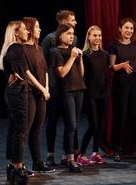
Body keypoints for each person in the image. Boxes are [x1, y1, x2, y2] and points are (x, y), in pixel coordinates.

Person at [108, 18, 136, 162]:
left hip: (135, 84)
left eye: (131, 28)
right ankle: (117, 149)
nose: (129, 31)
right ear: (120, 29)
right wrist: (121, 65)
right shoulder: (114, 45)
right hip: (120, 85)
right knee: (121, 116)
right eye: (126, 28)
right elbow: (111, 67)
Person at [41, 10, 79, 166]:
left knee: (71, 121)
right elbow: (43, 64)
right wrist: (45, 87)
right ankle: (50, 154)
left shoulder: (74, 39)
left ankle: (67, 154)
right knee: (54, 120)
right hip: (55, 86)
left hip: (69, 86)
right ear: (63, 22)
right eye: (72, 20)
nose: (75, 22)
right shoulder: (50, 39)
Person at [0, 21, 30, 185]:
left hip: (13, 91)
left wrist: (15, 73)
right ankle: (17, 167)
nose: (27, 32)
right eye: (24, 29)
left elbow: (6, 59)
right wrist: (18, 74)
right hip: (17, 92)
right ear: (16, 33)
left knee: (14, 128)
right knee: (20, 130)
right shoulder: (17, 48)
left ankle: (13, 165)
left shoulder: (11, 47)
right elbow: (9, 59)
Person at [21, 17, 55, 173]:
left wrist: (46, 88)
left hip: (42, 93)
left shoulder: (39, 48)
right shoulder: (22, 49)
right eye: (37, 27)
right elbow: (27, 74)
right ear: (29, 29)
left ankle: (38, 162)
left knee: (37, 129)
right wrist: (42, 89)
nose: (40, 29)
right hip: (30, 93)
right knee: (25, 129)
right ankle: (18, 164)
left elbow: (45, 70)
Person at [51, 23, 85, 173]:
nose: (72, 36)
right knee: (70, 125)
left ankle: (67, 156)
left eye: (73, 34)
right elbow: (61, 73)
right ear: (61, 35)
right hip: (67, 91)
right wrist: (72, 58)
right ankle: (71, 159)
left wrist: (80, 58)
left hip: (79, 90)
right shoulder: (55, 52)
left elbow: (81, 73)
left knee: (74, 126)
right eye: (69, 33)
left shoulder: (74, 50)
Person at [76, 25, 109, 166]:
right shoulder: (84, 55)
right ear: (88, 37)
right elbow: (81, 75)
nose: (97, 38)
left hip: (103, 93)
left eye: (99, 35)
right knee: (93, 125)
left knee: (100, 125)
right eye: (94, 35)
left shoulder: (105, 54)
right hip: (90, 93)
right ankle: (81, 154)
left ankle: (95, 153)